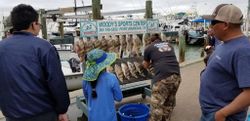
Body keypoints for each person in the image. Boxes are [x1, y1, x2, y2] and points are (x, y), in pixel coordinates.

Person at [0, 4, 70, 121]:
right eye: (39, 24)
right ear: (33, 24)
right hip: (43, 114)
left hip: (12, 116)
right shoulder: (44, 47)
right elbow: (56, 82)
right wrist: (62, 110)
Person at [199, 4, 250, 121]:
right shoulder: (225, 43)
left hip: (222, 116)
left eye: (213, 23)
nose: (210, 27)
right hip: (209, 112)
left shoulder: (243, 51)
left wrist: (221, 114)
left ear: (225, 25)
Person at [143, 33, 181, 121]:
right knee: (168, 105)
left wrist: (145, 64)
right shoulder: (169, 45)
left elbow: (145, 65)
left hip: (163, 79)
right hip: (176, 77)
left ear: (150, 41)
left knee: (156, 108)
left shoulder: (149, 48)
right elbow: (166, 58)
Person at [82, 49, 123, 121]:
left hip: (93, 118)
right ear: (104, 64)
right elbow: (119, 98)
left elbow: (87, 97)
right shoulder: (111, 77)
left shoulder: (85, 80)